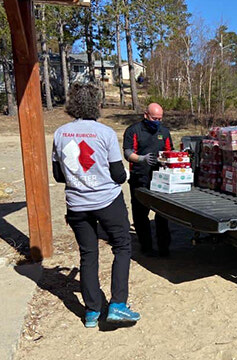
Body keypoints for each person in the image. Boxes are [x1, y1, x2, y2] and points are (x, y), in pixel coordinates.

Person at [52, 82, 141, 328]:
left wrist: (79, 177)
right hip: (107, 201)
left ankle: (91, 311)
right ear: (97, 105)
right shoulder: (105, 133)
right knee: (122, 246)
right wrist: (119, 174)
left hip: (77, 204)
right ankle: (118, 304)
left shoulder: (60, 134)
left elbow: (58, 175)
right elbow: (117, 174)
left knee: (88, 254)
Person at [123, 103, 173, 256]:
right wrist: (141, 159)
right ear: (146, 115)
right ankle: (146, 247)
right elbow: (127, 152)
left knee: (163, 214)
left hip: (160, 178)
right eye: (154, 118)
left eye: (159, 118)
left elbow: (170, 151)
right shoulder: (134, 130)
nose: (157, 121)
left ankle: (164, 248)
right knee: (140, 215)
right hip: (140, 178)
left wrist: (168, 160)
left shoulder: (164, 131)